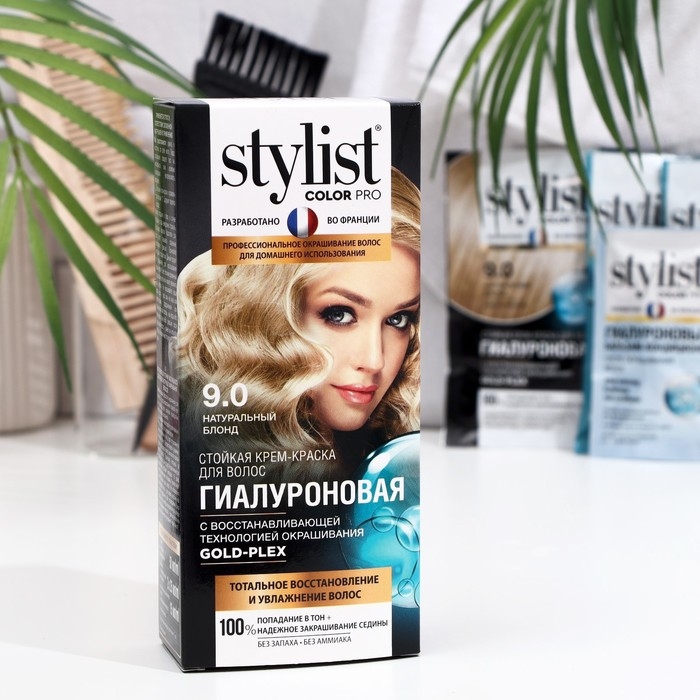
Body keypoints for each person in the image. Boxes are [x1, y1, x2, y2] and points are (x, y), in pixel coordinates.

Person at [177, 167, 420, 481]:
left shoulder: (399, 459)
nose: (375, 361)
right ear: (271, 310)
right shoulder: (203, 457)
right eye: (339, 314)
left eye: (398, 319)